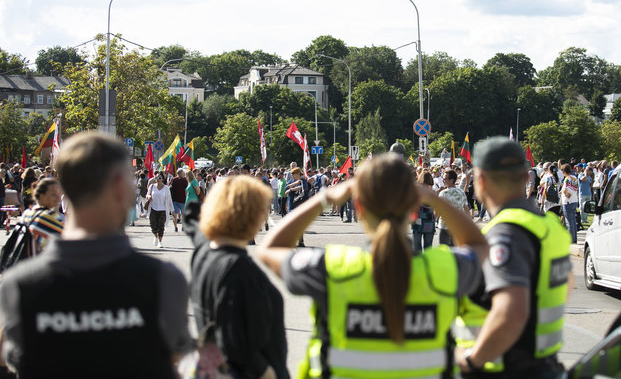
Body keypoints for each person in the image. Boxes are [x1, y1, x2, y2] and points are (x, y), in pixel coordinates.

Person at [257, 154, 489, 379]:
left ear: (359, 208)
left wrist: (324, 198)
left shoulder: (333, 269)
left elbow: (269, 248)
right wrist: (434, 198)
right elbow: (479, 244)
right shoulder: (443, 270)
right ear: (414, 207)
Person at [0, 132, 191, 377]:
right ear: (121, 188)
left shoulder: (18, 287)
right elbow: (180, 361)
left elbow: (11, 360)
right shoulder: (163, 281)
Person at [453, 137, 572, 378]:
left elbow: (512, 312)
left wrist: (472, 359)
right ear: (526, 177)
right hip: (543, 365)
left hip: (506, 369)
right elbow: (567, 283)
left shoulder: (505, 233)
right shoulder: (548, 226)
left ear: (481, 180)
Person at [186, 175, 288, 379]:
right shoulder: (242, 272)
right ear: (254, 216)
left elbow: (191, 215)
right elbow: (234, 343)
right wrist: (266, 372)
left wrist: (221, 199)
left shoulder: (205, 252)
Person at [438, 168, 469, 246]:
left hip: (445, 227)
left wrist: (431, 221)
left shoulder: (443, 193)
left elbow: (437, 210)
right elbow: (466, 210)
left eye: (445, 179)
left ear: (452, 180)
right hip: (458, 227)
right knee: (455, 252)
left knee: (444, 252)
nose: (443, 180)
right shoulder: (462, 193)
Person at [411, 171, 436, 253]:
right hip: (430, 221)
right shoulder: (433, 193)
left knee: (416, 248)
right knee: (428, 248)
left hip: (417, 221)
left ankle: (419, 265)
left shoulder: (416, 192)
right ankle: (428, 265)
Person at [146, 174, 173, 248]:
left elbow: (169, 200)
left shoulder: (166, 188)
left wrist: (172, 210)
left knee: (161, 226)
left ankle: (160, 242)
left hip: (163, 210)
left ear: (162, 179)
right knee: (153, 225)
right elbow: (147, 194)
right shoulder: (152, 187)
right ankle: (155, 236)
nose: (158, 179)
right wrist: (148, 197)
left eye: (159, 178)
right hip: (153, 208)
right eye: (156, 178)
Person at [561, 164, 579, 243]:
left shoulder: (567, 179)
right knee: (573, 220)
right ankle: (574, 238)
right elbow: (576, 187)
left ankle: (570, 239)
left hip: (567, 201)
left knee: (569, 221)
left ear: (564, 171)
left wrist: (564, 193)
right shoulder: (574, 178)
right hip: (574, 200)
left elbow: (565, 190)